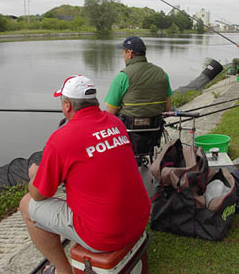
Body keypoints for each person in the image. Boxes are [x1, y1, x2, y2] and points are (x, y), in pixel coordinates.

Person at [19, 75, 151, 274]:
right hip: (139, 220)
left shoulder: (61, 138)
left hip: (104, 236)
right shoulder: (116, 123)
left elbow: (39, 194)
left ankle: (62, 271)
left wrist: (35, 176)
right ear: (95, 101)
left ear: (67, 106)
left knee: (27, 204)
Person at [105, 36, 173, 164]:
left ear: (129, 53)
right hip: (153, 134)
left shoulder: (122, 76)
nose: (123, 55)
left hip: (129, 136)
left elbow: (109, 113)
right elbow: (167, 108)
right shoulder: (162, 73)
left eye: (123, 52)